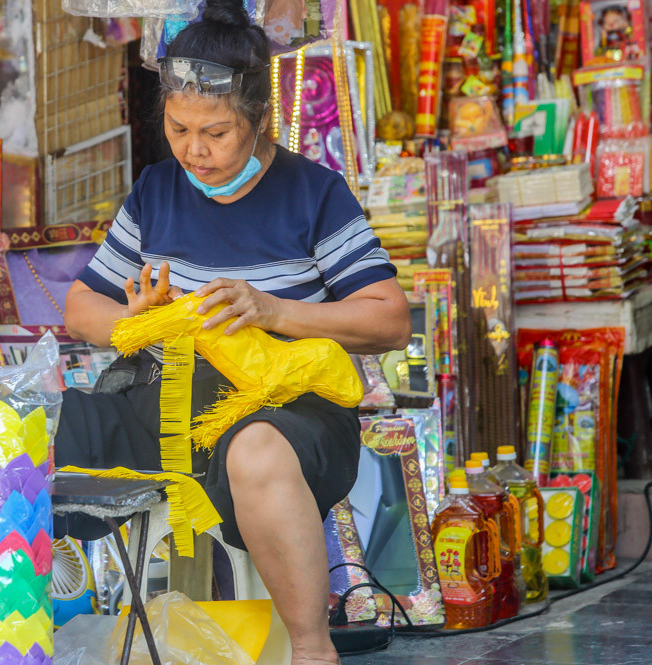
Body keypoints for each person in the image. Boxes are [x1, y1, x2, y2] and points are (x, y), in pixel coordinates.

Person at [54, 2, 411, 663]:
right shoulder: (157, 191)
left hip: (286, 413)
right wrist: (139, 319)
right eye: (179, 127)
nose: (195, 149)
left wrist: (272, 310)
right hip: (164, 408)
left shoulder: (315, 195)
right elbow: (82, 310)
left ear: (260, 120)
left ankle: (311, 647)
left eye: (216, 132)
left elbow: (388, 317)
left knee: (256, 453)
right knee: (26, 427)